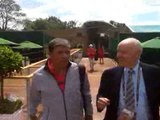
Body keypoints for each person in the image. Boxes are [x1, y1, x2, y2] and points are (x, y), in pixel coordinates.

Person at [96, 37, 160, 120]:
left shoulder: (154, 73)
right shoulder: (109, 74)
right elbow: (102, 95)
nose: (118, 55)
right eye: (118, 51)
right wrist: (100, 102)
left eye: (123, 52)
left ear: (137, 54)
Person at [29, 38, 93, 120]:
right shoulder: (39, 76)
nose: (65, 56)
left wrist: (89, 114)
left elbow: (86, 95)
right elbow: (32, 101)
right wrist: (32, 116)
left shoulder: (79, 70)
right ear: (50, 54)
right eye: (60, 52)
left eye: (67, 52)